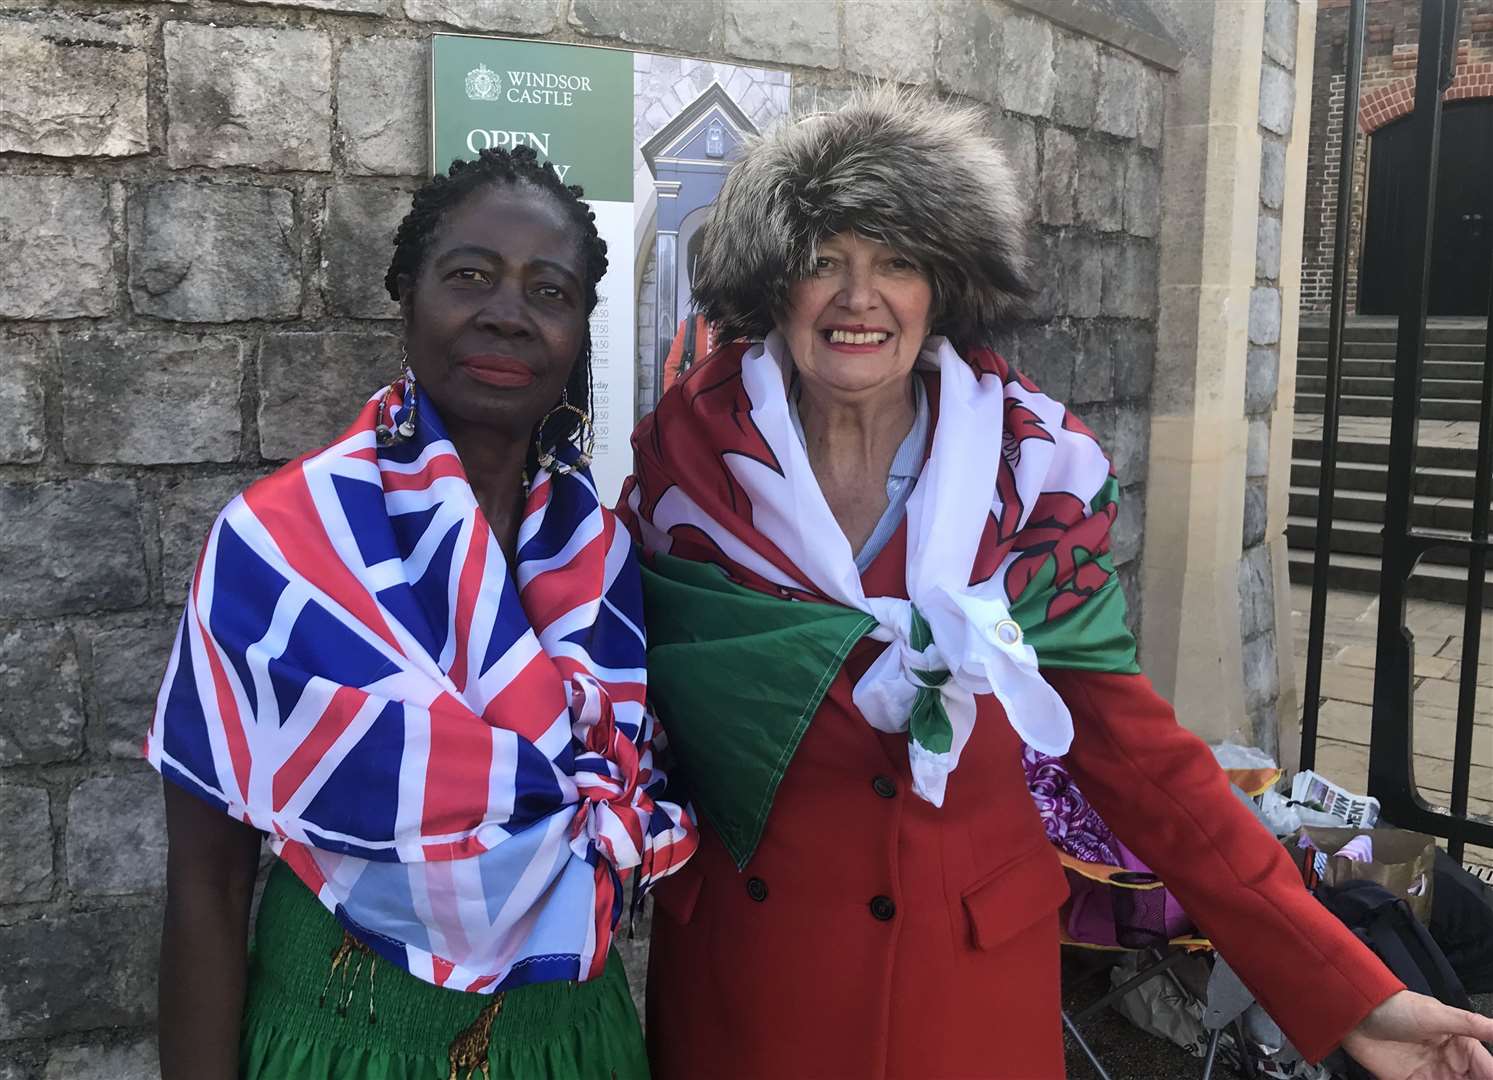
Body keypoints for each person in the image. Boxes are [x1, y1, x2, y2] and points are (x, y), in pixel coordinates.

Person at [619, 87, 1493, 1079]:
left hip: (960, 983)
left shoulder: (1032, 473)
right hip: (748, 972)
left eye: (895, 262)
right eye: (823, 260)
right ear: (776, 284)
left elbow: (1138, 759)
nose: (857, 297)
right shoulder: (681, 460)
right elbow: (612, 690)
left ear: (941, 286)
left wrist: (1347, 990)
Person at [149, 146, 696, 1080]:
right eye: (470, 276)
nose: (506, 313)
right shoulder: (281, 547)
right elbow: (208, 880)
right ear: (408, 296)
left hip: (574, 1043)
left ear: (577, 335)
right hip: (343, 1035)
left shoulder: (605, 559)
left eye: (549, 291)